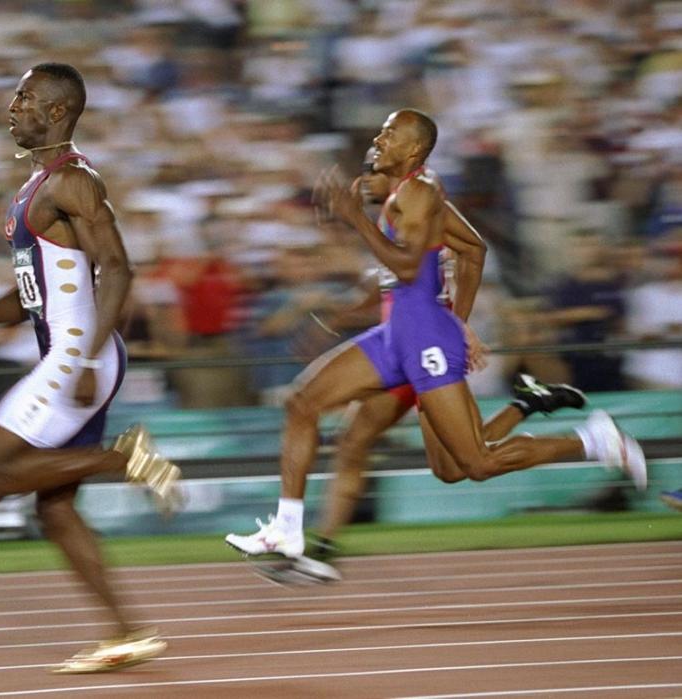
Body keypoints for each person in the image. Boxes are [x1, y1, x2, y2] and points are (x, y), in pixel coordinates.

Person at [226, 109, 646, 562]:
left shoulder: (421, 194)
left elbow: (406, 267)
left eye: (389, 134)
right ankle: (288, 529)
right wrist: (459, 321)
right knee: (303, 403)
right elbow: (473, 249)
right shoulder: (408, 192)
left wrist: (356, 219)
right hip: (399, 335)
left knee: (476, 463)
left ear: (413, 151)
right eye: (380, 131)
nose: (377, 139)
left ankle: (594, 441)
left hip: (423, 338)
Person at [0, 63, 180, 674]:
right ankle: (125, 632)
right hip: (71, 353)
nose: (12, 107)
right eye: (15, 96)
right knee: (54, 508)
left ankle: (126, 458)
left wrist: (85, 354)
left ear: (58, 112)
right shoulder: (35, 189)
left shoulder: (73, 182)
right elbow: (27, 298)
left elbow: (118, 267)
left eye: (26, 98)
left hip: (77, 356)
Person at [251, 150, 587, 583]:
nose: (364, 181)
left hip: (422, 351)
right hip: (398, 347)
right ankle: (527, 404)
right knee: (445, 463)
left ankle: (317, 551)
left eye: (370, 174)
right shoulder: (397, 216)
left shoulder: (419, 204)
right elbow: (384, 287)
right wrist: (333, 318)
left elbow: (438, 265)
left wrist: (457, 324)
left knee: (461, 460)